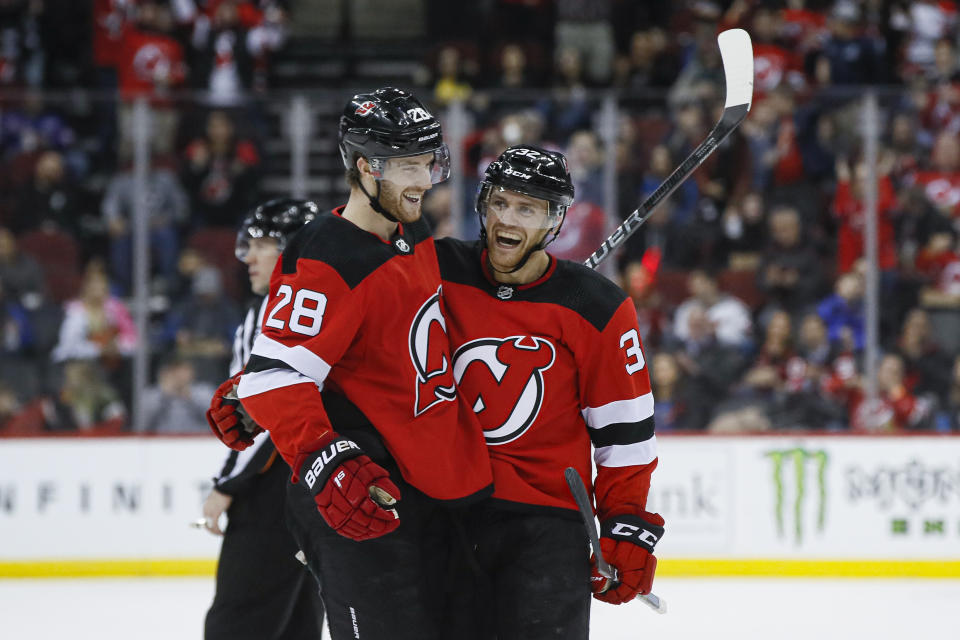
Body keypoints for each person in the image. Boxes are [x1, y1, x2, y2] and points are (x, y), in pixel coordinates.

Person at [208, 88, 493, 640]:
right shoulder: (325, 254)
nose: (426, 179)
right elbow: (279, 377)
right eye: (410, 165)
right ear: (365, 167)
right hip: (361, 494)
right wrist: (325, 460)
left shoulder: (410, 232)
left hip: (425, 488)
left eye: (430, 161)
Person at [435, 145, 664, 638]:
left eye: (527, 208)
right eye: (499, 202)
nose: (506, 218)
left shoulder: (597, 307)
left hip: (545, 529)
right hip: (443, 515)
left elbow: (624, 436)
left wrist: (625, 522)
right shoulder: (436, 272)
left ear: (554, 220)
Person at [202, 198, 325, 640]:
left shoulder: (274, 310)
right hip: (321, 484)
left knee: (241, 616)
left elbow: (265, 415)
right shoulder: (326, 304)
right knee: (298, 616)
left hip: (274, 485)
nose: (248, 258)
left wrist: (226, 485)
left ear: (292, 250)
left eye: (262, 245)